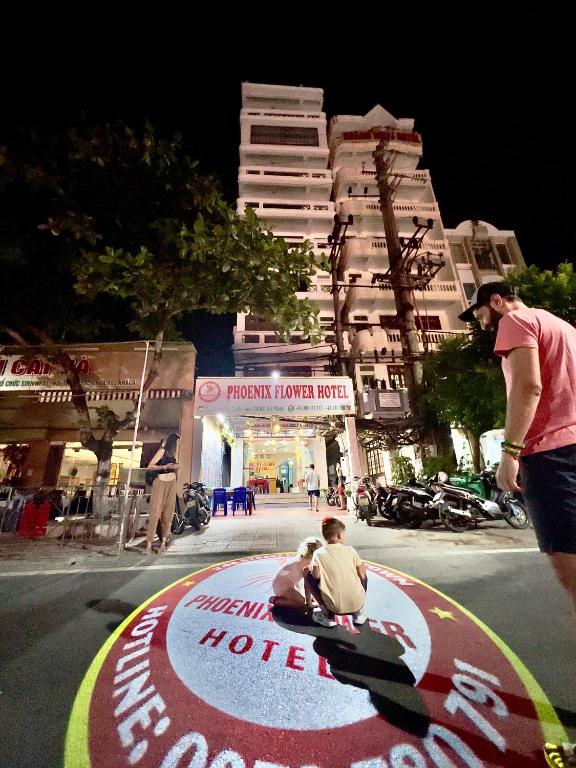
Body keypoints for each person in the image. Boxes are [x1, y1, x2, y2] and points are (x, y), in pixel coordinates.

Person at [459, 282, 576, 766]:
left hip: (552, 459)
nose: (482, 325)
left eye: (479, 315)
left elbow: (529, 387)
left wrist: (509, 454)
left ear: (496, 301)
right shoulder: (563, 326)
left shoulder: (515, 320)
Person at [305, 517, 367, 628]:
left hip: (333, 607)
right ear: (339, 535)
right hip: (357, 603)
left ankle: (325, 614)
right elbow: (362, 576)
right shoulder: (351, 550)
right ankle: (359, 613)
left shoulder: (318, 553)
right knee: (363, 572)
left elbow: (316, 576)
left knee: (308, 575)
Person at [145, 433, 180, 554]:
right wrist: (165, 466)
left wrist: (176, 466)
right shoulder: (163, 451)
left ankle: (164, 542)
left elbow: (179, 467)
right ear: (173, 443)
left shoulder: (177, 454)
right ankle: (149, 544)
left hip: (172, 483)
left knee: (168, 514)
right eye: (178, 443)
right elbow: (150, 466)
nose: (179, 445)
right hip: (160, 482)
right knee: (155, 513)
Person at [269, 537, 323, 611]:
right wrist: (308, 602)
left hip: (279, 583)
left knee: (305, 599)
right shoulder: (308, 562)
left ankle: (286, 597)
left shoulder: (303, 558)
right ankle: (276, 601)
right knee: (302, 604)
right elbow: (307, 584)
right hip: (283, 587)